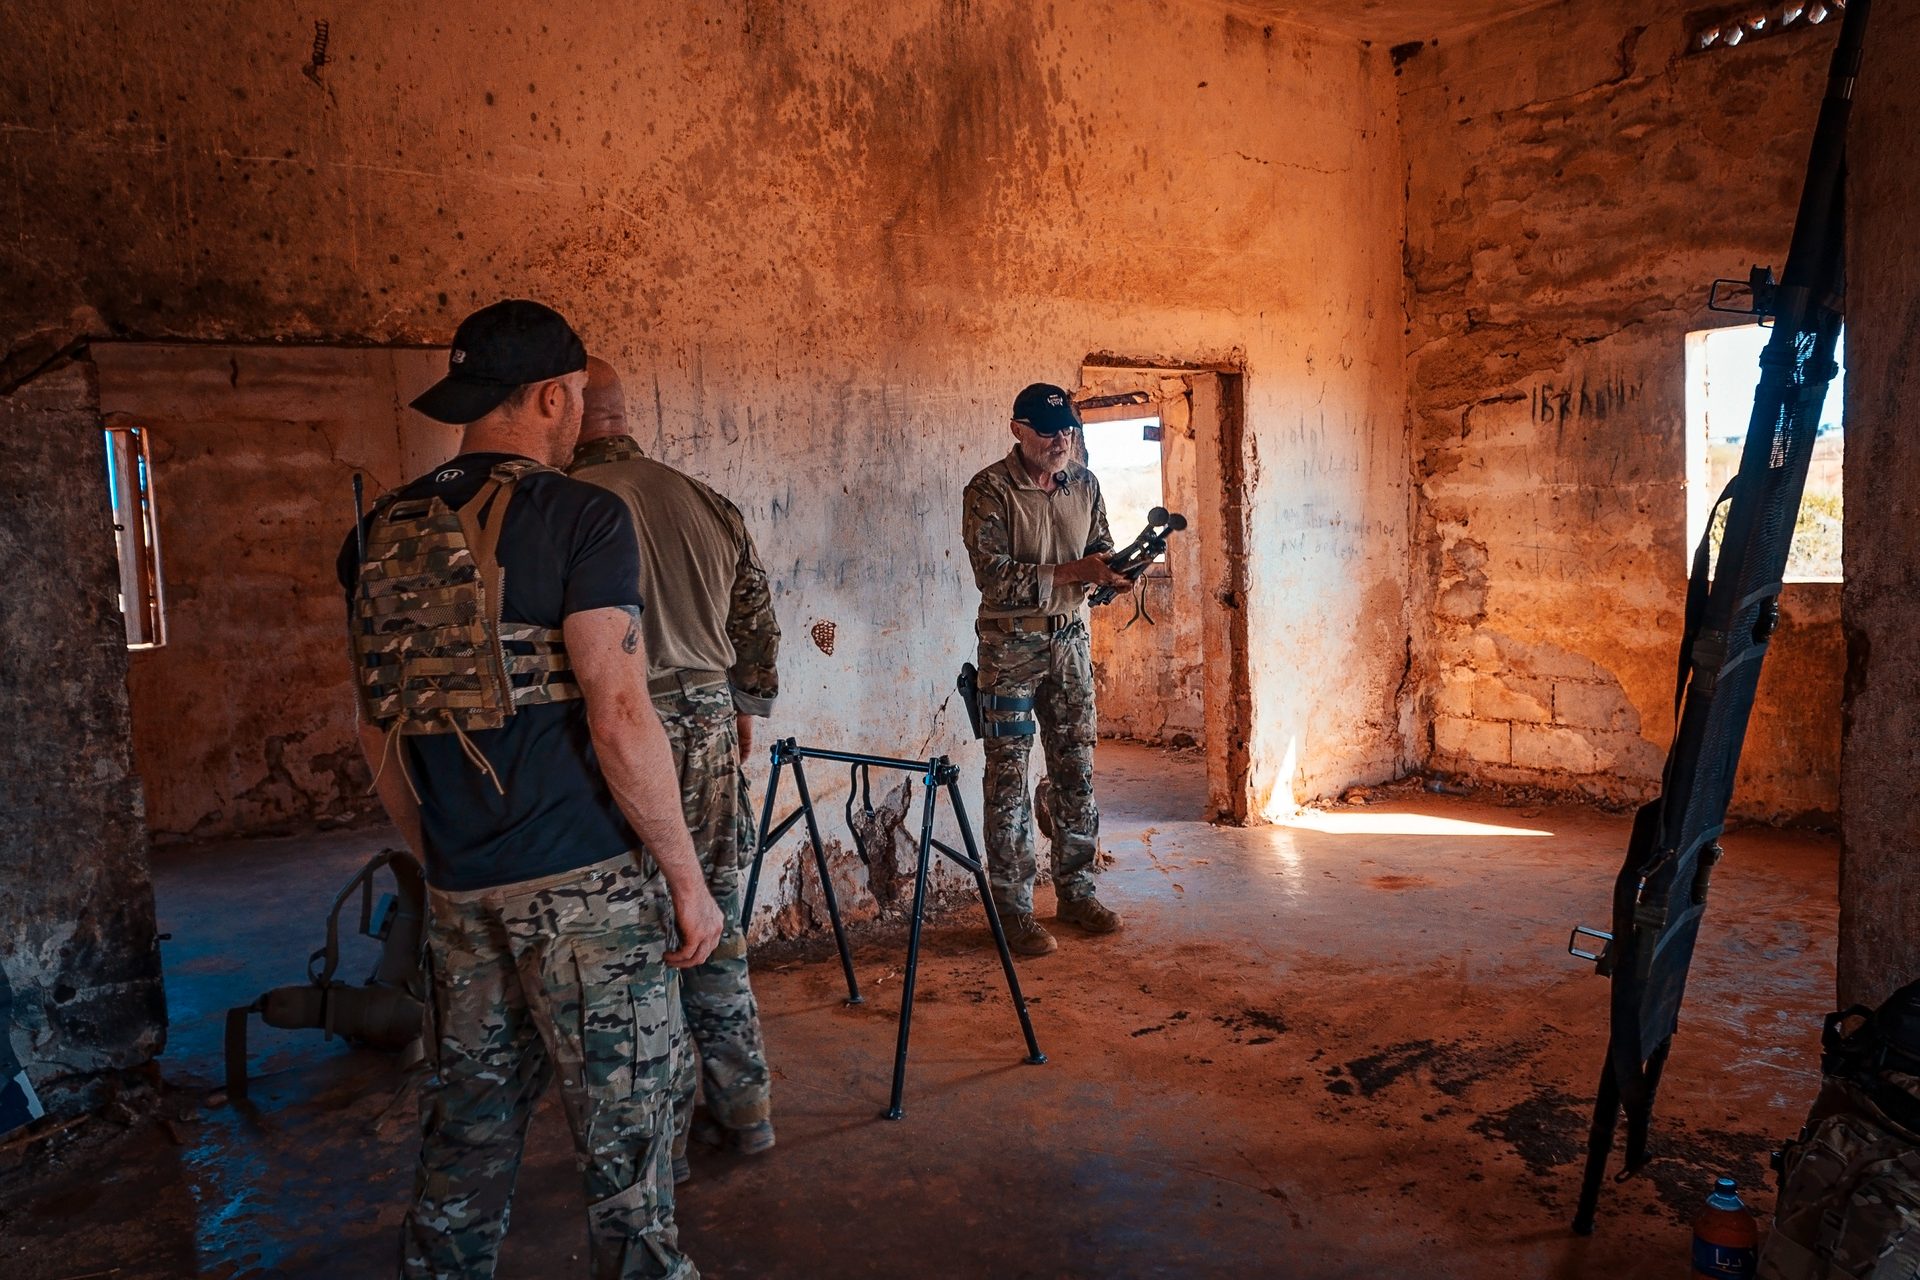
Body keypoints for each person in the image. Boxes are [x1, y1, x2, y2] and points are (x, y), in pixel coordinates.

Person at [337, 299, 721, 1280]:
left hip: (465, 890)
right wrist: (686, 873)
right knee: (629, 1163)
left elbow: (378, 731)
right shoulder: (584, 514)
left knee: (465, 1140)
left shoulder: (379, 532)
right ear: (554, 396)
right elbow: (621, 713)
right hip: (587, 889)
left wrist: (440, 861)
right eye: (579, 396)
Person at [567, 357, 779, 1171]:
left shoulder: (565, 509)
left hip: (624, 727)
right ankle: (746, 1108)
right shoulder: (702, 498)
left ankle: (660, 1144)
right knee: (714, 919)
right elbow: (756, 613)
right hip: (709, 720)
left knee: (640, 935)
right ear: (625, 414)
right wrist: (746, 705)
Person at [960, 382, 1134, 958]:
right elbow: (994, 575)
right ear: (1017, 430)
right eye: (1048, 431)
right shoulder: (988, 489)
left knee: (1075, 770)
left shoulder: (1084, 483)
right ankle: (1012, 911)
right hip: (1009, 649)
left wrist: (1112, 576)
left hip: (1070, 646)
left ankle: (1078, 893)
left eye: (1068, 431)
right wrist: (1070, 571)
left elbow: (1099, 553)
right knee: (1009, 777)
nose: (1061, 441)